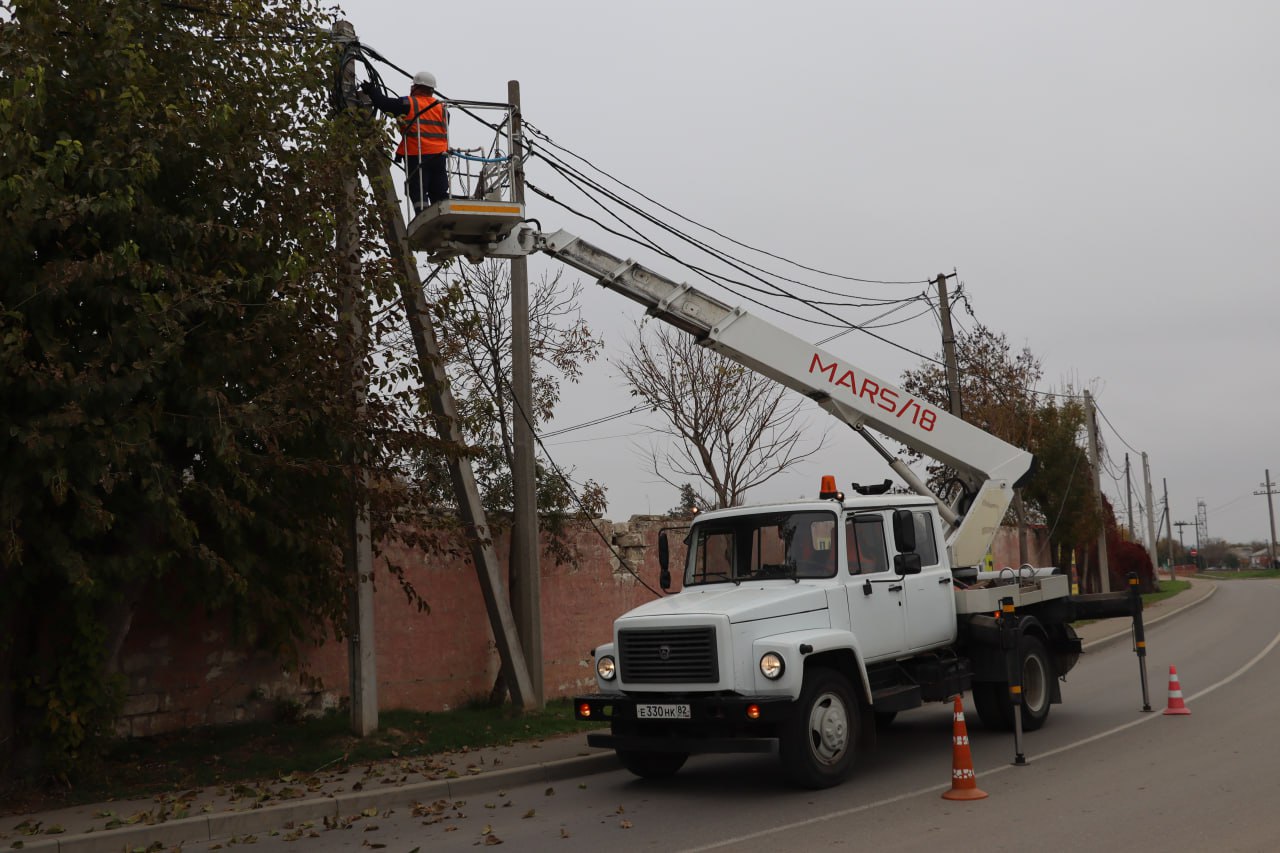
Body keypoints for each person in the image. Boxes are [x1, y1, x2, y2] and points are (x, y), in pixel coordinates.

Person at [360, 71, 449, 211]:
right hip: (439, 157)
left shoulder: (409, 103)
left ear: (416, 87)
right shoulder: (443, 109)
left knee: (418, 190)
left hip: (418, 155)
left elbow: (385, 104)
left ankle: (422, 217)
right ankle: (443, 218)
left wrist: (372, 90)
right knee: (439, 192)